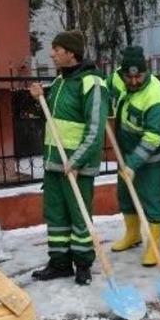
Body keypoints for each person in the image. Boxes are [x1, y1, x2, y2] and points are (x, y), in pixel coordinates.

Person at [29, 30, 110, 285]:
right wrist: (38, 99)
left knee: (79, 215)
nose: (51, 54)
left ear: (70, 52)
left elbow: (95, 128)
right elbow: (54, 121)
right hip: (55, 163)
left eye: (56, 49)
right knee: (56, 216)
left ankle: (83, 264)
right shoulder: (60, 82)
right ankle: (59, 262)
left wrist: (77, 161)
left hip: (76, 165)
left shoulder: (92, 82)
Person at [109, 46, 160, 266]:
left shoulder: (156, 96)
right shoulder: (117, 78)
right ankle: (133, 234)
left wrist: (133, 163)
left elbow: (152, 138)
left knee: (153, 199)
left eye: (139, 76)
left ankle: (153, 246)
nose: (134, 81)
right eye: (129, 76)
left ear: (147, 72)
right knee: (125, 195)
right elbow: (107, 88)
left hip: (151, 156)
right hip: (126, 152)